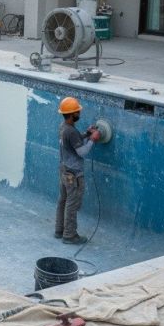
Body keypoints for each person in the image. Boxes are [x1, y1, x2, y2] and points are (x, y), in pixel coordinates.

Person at [55, 96, 100, 244]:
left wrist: (86, 135)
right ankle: (69, 235)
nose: (79, 114)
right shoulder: (71, 131)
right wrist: (92, 140)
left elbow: (73, 142)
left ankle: (59, 230)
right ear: (73, 114)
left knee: (63, 201)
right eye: (78, 112)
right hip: (74, 174)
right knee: (72, 204)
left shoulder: (64, 127)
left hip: (64, 170)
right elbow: (82, 152)